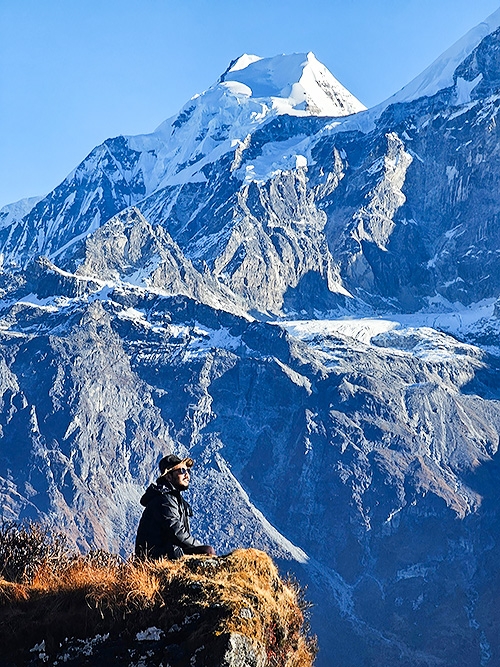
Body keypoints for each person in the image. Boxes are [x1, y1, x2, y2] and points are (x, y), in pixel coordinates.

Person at [135, 454, 216, 560]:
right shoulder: (163, 499)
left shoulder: (174, 499)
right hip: (154, 557)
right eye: (182, 471)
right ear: (168, 476)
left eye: (188, 471)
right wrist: (199, 547)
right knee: (207, 551)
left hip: (168, 552)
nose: (187, 475)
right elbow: (176, 532)